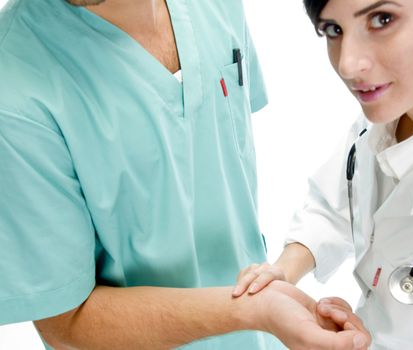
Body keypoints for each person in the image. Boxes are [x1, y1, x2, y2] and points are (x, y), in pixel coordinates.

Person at [0, 0, 369, 349]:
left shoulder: (214, 8)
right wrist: (251, 309)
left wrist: (272, 291)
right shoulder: (15, 80)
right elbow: (67, 322)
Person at [233, 0, 413, 348]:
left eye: (382, 19)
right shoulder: (407, 99)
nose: (348, 64)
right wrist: (285, 270)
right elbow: (342, 197)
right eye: (333, 30)